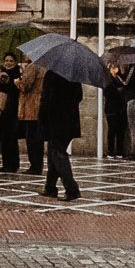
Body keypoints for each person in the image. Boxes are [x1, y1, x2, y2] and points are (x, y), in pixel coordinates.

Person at [38, 56, 86, 199]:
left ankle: (72, 189)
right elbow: (79, 97)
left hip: (55, 121)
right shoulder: (74, 77)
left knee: (57, 153)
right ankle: (50, 187)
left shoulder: (51, 75)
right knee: (54, 153)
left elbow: (46, 99)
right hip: (70, 121)